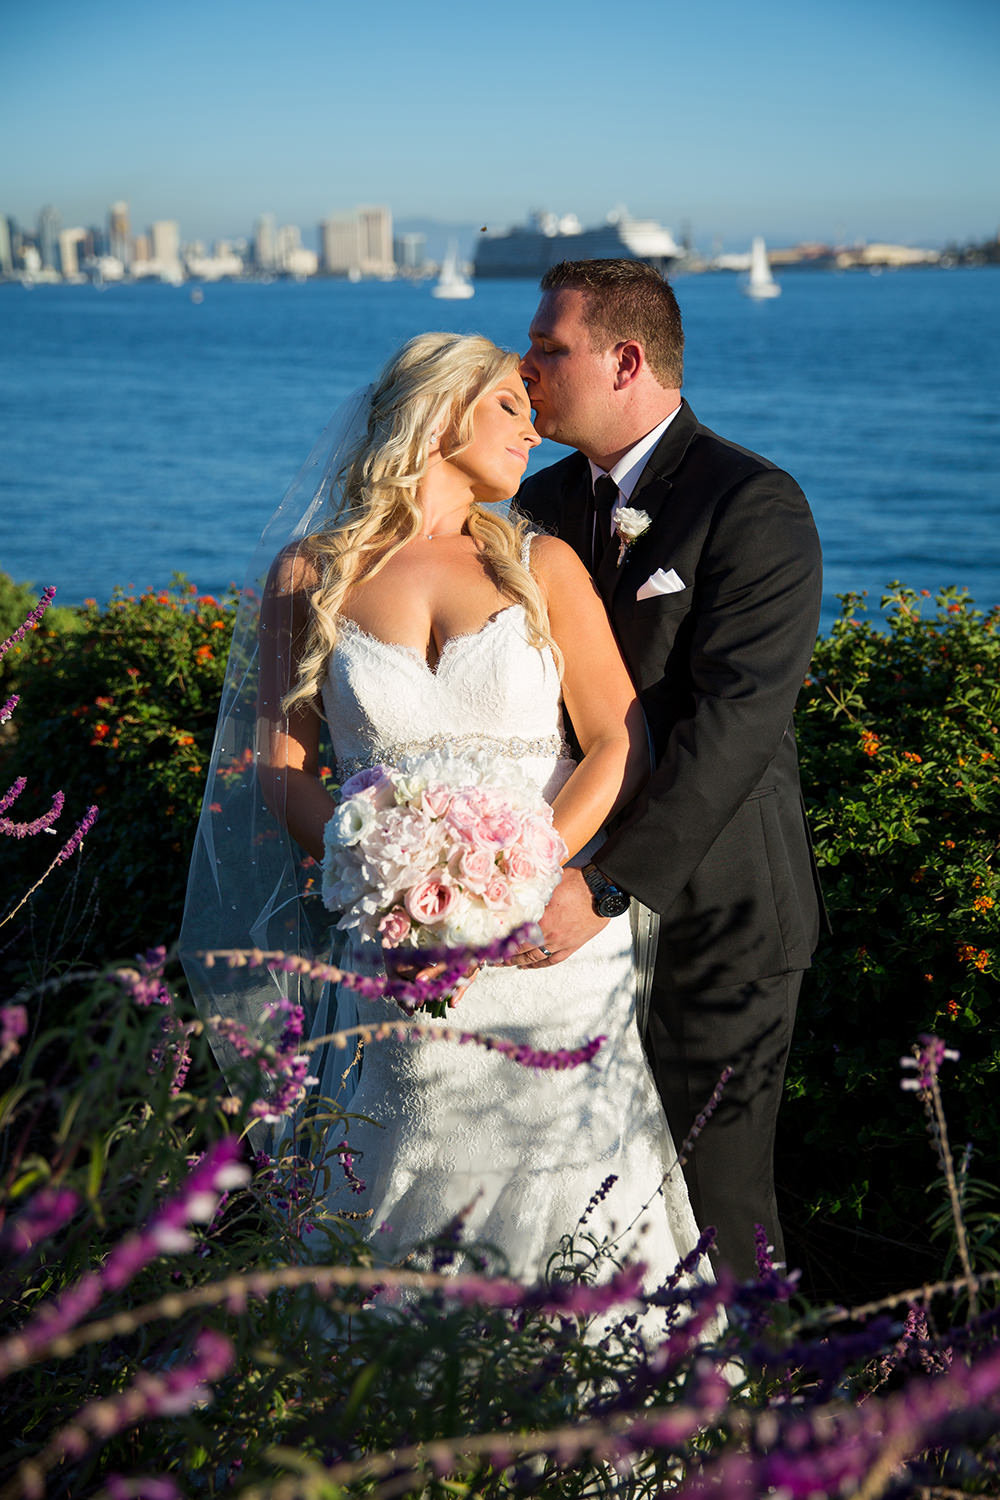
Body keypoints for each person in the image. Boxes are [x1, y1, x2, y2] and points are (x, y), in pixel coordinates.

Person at [182, 331, 707, 1293]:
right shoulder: (309, 575)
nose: (535, 430)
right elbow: (282, 767)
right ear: (437, 412)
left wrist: (522, 871)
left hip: (546, 949)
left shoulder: (539, 567)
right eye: (511, 405)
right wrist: (373, 873)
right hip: (394, 949)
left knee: (569, 1195)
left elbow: (618, 743)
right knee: (397, 1182)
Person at [516, 259, 825, 1279]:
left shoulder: (752, 503)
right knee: (587, 1187)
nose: (526, 369)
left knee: (716, 1197)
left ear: (626, 359)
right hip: (565, 910)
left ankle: (766, 1423)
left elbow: (736, 722)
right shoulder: (539, 502)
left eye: (549, 349)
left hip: (717, 910)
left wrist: (605, 883)